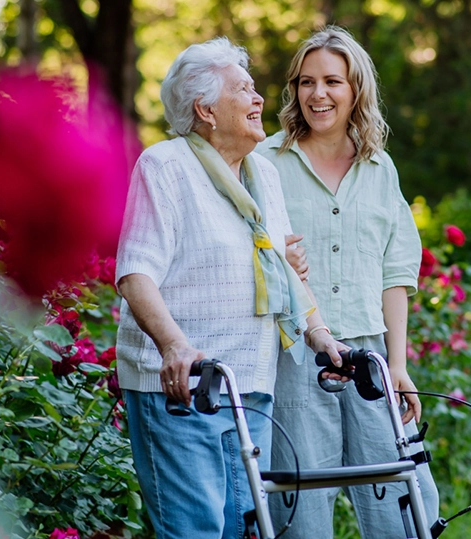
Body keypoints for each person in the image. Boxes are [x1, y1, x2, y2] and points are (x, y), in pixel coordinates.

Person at [114, 37, 344, 539]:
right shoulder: (166, 166)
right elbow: (135, 272)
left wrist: (320, 334)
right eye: (244, 89)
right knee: (195, 530)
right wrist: (174, 343)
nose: (260, 99)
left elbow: (281, 268)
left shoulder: (262, 173)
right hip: (184, 387)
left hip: (249, 386)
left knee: (247, 530)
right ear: (206, 109)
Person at [258, 26, 440, 538]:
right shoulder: (265, 164)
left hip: (369, 357)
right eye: (306, 82)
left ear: (356, 88)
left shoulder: (380, 169)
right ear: (294, 90)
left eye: (333, 81)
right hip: (294, 357)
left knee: (401, 508)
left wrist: (398, 366)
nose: (318, 94)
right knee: (301, 512)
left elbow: (396, 274)